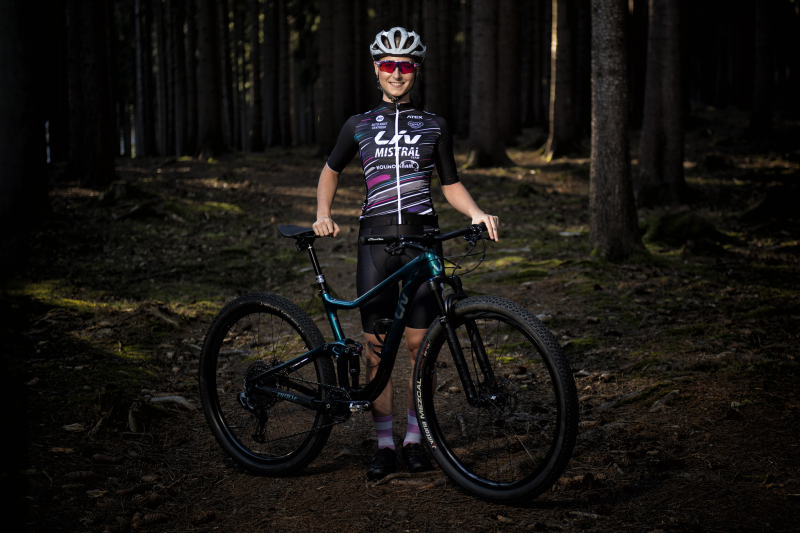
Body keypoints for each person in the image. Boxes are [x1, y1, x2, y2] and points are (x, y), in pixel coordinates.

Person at [312, 27, 499, 481]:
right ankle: (384, 445)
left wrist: (476, 212)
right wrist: (322, 214)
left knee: (420, 347)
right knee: (378, 351)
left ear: (416, 70)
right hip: (375, 245)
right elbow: (330, 170)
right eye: (388, 65)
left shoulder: (435, 125)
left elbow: (450, 183)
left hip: (423, 241)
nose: (397, 73)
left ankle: (416, 439)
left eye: (405, 65)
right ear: (376, 70)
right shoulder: (358, 124)